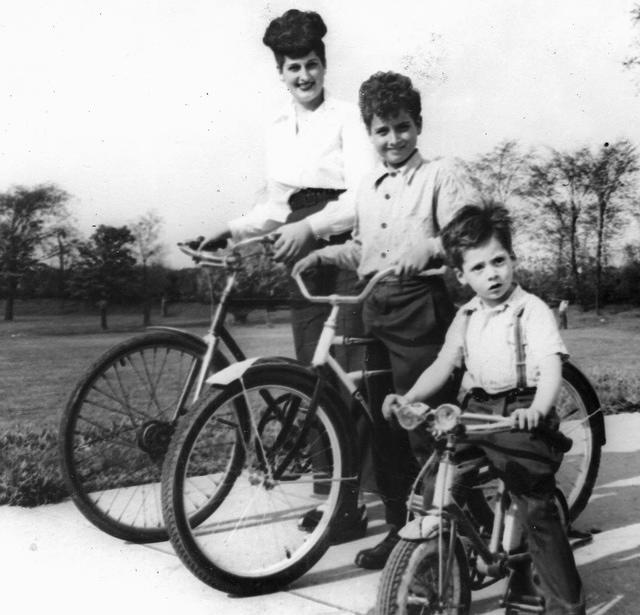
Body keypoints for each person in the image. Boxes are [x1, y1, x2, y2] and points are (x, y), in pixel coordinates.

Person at [197, 9, 374, 541]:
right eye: (294, 67)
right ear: (280, 71)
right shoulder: (276, 126)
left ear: (325, 65)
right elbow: (275, 206)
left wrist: (313, 228)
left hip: (343, 247)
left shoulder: (348, 117)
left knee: (348, 370)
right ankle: (329, 499)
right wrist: (226, 230)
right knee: (312, 376)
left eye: (312, 65)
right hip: (299, 253)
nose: (304, 76)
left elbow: (361, 196)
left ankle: (354, 501)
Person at [293, 71, 468, 569]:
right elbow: (366, 251)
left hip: (420, 307)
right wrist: (326, 257)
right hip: (374, 310)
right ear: (368, 133)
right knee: (384, 427)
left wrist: (430, 246)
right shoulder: (368, 184)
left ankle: (446, 532)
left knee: (423, 423)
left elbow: (470, 234)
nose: (393, 139)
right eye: (382, 130)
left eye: (402, 126)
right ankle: (401, 527)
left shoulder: (441, 174)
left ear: (418, 125)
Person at [383, 202, 585, 614]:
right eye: (478, 268)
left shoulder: (532, 311)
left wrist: (538, 408)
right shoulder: (467, 315)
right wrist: (411, 398)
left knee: (535, 505)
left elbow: (549, 367)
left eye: (499, 261)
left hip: (522, 409)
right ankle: (428, 581)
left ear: (513, 260)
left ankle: (565, 604)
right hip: (475, 410)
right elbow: (443, 365)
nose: (491, 273)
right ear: (461, 276)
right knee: (438, 486)